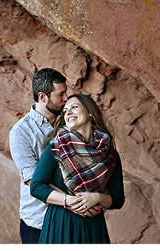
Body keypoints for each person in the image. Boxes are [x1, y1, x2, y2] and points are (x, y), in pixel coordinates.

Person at [30, 93, 124, 243]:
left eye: (74, 107)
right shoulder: (57, 146)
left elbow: (118, 198)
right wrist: (72, 202)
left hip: (93, 227)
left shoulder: (110, 154)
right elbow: (36, 186)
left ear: (90, 112)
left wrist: (97, 198)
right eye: (66, 110)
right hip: (61, 225)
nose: (68, 112)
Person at [8, 68, 68, 244]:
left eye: (66, 93)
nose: (66, 99)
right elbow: (33, 181)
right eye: (60, 94)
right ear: (42, 97)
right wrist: (74, 200)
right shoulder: (21, 132)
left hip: (71, 219)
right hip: (39, 222)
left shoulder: (71, 121)